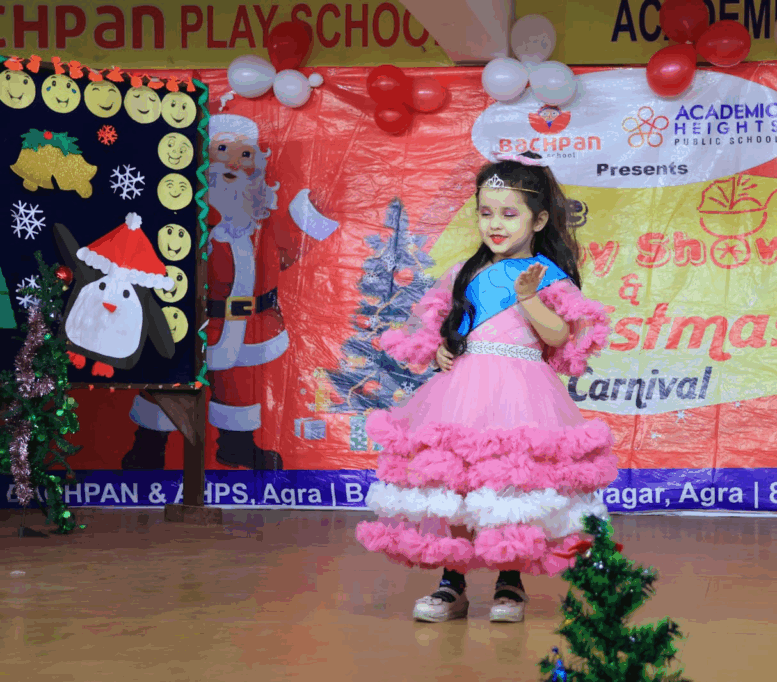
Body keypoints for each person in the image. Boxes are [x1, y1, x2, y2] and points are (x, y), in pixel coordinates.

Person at [355, 151, 618, 623]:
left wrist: (528, 298)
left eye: (509, 214)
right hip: (463, 390)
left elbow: (559, 335)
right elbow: (448, 325)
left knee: (509, 486)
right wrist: (441, 349)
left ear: (539, 220)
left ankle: (509, 581)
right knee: (457, 482)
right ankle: (452, 583)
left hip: (521, 391)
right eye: (486, 212)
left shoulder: (544, 274)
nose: (495, 224)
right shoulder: (466, 272)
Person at [121, 113, 339, 470]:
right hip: (193, 321)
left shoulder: (264, 222)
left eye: (245, 156)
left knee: (239, 386)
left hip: (251, 324)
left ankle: (236, 446)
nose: (235, 164)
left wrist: (315, 210)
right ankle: (149, 444)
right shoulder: (186, 220)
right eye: (223, 153)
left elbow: (288, 250)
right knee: (170, 383)